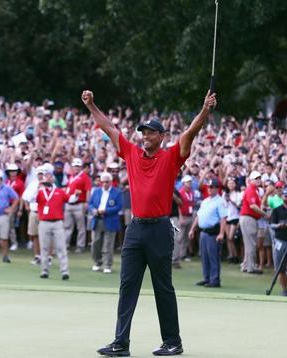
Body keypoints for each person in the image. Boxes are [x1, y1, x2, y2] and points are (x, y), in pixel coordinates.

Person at [86, 89, 216, 357]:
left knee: (163, 287)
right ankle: (120, 343)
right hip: (135, 229)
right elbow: (109, 127)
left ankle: (173, 342)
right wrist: (91, 105)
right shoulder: (132, 153)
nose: (145, 137)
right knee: (127, 286)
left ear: (162, 137)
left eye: (151, 133)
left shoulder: (171, 157)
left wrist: (205, 110)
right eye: (143, 133)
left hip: (159, 228)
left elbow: (191, 132)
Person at [188, 178, 226, 288]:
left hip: (213, 232)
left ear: (217, 189)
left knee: (213, 256)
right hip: (203, 232)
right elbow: (199, 216)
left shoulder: (220, 201)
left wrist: (221, 233)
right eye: (209, 187)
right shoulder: (205, 200)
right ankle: (207, 278)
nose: (210, 189)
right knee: (204, 257)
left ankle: (215, 280)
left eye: (212, 187)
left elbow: (223, 218)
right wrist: (192, 229)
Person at [36, 163, 71, 280]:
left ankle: (65, 271)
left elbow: (70, 199)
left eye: (50, 176)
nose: (49, 178)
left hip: (57, 222)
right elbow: (29, 197)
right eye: (47, 176)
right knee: (44, 248)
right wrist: (38, 185)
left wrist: (75, 195)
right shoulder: (40, 191)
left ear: (53, 178)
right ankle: (44, 270)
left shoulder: (59, 191)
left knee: (61, 247)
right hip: (44, 222)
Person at [88, 172, 123, 274]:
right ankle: (97, 262)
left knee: (108, 244)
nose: (104, 184)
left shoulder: (117, 192)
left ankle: (107, 264)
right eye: (102, 182)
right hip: (97, 219)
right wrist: (93, 210)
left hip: (110, 220)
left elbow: (119, 207)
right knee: (95, 243)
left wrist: (106, 210)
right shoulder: (96, 191)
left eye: (107, 182)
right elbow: (90, 204)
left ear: (111, 182)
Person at [269, 188, 287, 296]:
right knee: (280, 268)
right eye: (285, 196)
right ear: (282, 197)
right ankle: (284, 290)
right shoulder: (276, 210)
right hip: (280, 240)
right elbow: (271, 224)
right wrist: (281, 225)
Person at [239, 171, 269, 275]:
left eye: (259, 178)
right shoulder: (251, 189)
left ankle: (246, 265)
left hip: (250, 218)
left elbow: (257, 205)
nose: (258, 180)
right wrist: (265, 214)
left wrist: (263, 209)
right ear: (251, 180)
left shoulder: (255, 190)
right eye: (256, 178)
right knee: (251, 243)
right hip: (248, 218)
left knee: (249, 243)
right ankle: (251, 267)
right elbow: (253, 206)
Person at [64, 158, 92, 252]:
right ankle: (65, 245)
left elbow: (88, 190)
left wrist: (87, 203)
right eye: (75, 166)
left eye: (78, 166)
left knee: (80, 227)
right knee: (67, 226)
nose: (76, 168)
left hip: (80, 204)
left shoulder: (85, 177)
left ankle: (80, 246)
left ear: (80, 167)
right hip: (69, 203)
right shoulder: (71, 176)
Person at [22, 166, 46, 265]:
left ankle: (47, 257)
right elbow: (26, 197)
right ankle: (37, 256)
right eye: (39, 174)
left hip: (45, 214)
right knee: (35, 235)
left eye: (42, 174)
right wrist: (37, 189)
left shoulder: (50, 185)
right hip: (34, 212)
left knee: (45, 236)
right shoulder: (33, 184)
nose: (40, 176)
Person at [174, 175, 195, 268]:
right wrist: (181, 217)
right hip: (183, 216)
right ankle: (177, 255)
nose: (189, 183)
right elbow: (179, 205)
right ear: (183, 183)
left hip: (190, 216)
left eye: (190, 182)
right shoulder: (181, 191)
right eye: (187, 182)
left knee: (186, 237)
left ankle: (183, 255)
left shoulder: (191, 192)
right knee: (180, 237)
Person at [5, 163, 24, 251]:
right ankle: (0, 242)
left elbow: (21, 197)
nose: (13, 173)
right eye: (11, 171)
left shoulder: (20, 183)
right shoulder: (6, 182)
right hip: (4, 205)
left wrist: (20, 209)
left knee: (10, 224)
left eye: (14, 171)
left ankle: (14, 243)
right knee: (2, 223)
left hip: (14, 206)